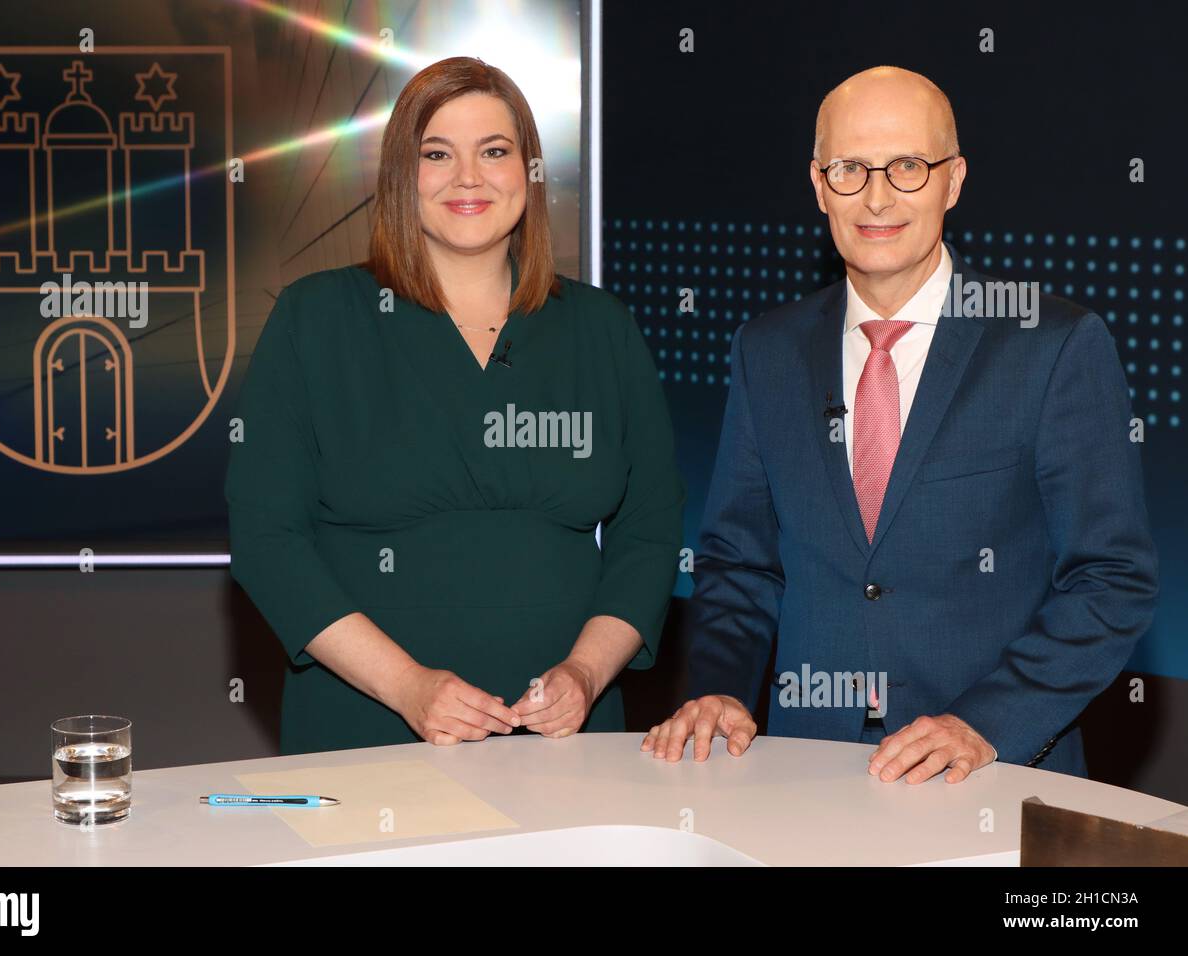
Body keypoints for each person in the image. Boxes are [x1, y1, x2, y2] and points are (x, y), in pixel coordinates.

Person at [644, 66, 1157, 782]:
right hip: (803, 777)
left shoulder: (1053, 343)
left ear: (954, 180)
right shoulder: (766, 350)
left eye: (908, 167)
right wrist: (722, 688)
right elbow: (740, 563)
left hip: (991, 778)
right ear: (819, 184)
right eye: (851, 168)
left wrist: (986, 723)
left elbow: (1111, 579)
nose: (877, 196)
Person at [226, 57, 684, 754]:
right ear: (399, 176)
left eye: (494, 152)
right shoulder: (315, 321)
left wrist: (587, 676)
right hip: (365, 738)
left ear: (528, 172)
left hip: (567, 745)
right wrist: (409, 686)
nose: (468, 177)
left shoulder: (602, 328)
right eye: (436, 153)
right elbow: (267, 543)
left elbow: (649, 536)